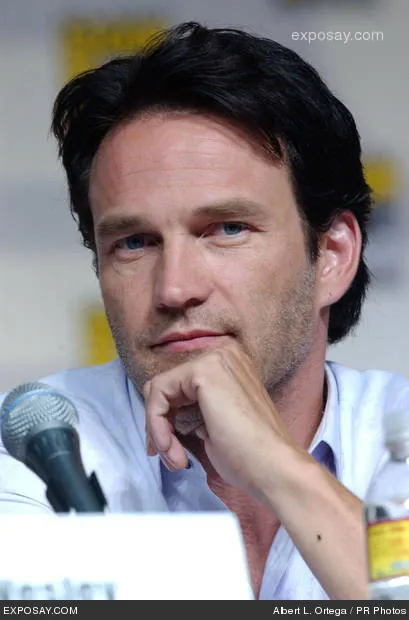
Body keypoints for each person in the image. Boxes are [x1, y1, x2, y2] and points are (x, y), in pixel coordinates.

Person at [0, 21, 408, 601]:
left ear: (332, 256)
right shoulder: (34, 448)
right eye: (134, 243)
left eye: (227, 229)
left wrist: (280, 468)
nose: (175, 288)